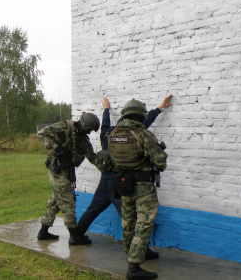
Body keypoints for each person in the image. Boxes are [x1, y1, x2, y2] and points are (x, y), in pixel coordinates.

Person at [78, 95, 172, 260]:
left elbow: (105, 124)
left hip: (107, 180)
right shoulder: (135, 133)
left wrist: (106, 109)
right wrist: (159, 108)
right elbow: (145, 122)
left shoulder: (110, 134)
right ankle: (140, 250)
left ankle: (76, 235)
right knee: (132, 220)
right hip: (123, 181)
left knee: (93, 210)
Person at [108, 99, 168, 280]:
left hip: (124, 185)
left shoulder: (113, 134)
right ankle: (134, 267)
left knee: (128, 223)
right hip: (143, 188)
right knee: (144, 224)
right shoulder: (144, 134)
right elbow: (160, 163)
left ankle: (134, 254)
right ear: (141, 115)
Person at [36, 112, 100, 245]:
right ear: (84, 124)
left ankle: (43, 232)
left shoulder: (83, 139)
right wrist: (56, 147)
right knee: (67, 200)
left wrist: (109, 166)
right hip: (56, 168)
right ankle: (74, 235)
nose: (89, 132)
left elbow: (93, 157)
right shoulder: (63, 127)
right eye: (88, 129)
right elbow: (40, 134)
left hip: (66, 170)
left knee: (55, 200)